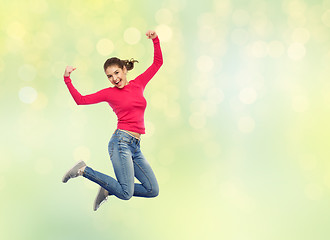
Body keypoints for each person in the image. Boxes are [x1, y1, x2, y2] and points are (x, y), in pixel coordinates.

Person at [62, 30, 163, 211]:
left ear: (124, 69)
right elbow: (81, 100)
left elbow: (157, 63)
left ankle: (108, 189)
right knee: (126, 193)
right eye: (110, 76)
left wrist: (155, 40)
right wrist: (67, 78)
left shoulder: (138, 83)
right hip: (120, 143)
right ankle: (83, 170)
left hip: (135, 146)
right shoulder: (109, 93)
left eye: (117, 73)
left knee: (152, 189)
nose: (115, 78)